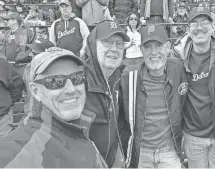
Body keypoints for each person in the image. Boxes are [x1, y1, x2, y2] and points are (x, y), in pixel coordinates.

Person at [0, 47, 109, 168]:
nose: (71, 89)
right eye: (56, 81)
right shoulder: (22, 149)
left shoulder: (80, 125)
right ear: (35, 91)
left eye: (77, 78)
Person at [172, 6, 215, 168]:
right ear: (188, 29)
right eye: (194, 23)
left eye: (205, 22)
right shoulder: (178, 56)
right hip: (193, 135)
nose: (199, 28)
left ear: (213, 27)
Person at [120, 25, 187, 168]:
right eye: (148, 47)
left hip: (169, 151)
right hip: (141, 153)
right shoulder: (129, 77)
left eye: (159, 45)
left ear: (168, 47)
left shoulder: (177, 68)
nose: (154, 52)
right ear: (141, 50)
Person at [82, 21, 130, 167]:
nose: (114, 49)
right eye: (107, 42)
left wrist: (117, 155)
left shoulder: (116, 77)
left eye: (119, 44)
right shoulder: (76, 80)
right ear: (92, 45)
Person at [0, 56, 24, 138]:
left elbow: (17, 82)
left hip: (2, 119)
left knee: (4, 148)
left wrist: (11, 102)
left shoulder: (2, 64)